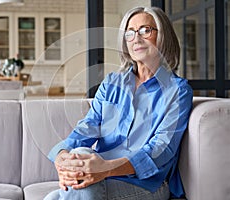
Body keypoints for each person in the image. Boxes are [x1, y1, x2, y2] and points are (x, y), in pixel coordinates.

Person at [45, 6, 193, 200]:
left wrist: (107, 169)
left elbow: (161, 150)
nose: (136, 38)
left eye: (145, 30)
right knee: (78, 157)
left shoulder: (178, 91)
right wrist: (62, 157)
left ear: (163, 36)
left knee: (68, 194)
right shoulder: (111, 83)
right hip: (99, 174)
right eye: (130, 33)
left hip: (148, 183)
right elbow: (88, 127)